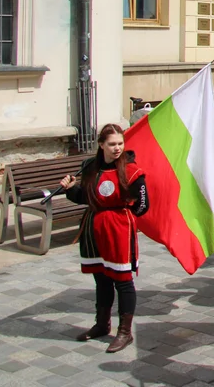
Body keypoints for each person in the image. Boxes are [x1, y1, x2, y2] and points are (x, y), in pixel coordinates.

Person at [62, 124, 148, 353]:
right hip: (94, 227)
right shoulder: (90, 167)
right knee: (101, 278)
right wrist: (70, 189)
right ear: (101, 145)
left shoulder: (131, 170)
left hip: (118, 229)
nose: (117, 148)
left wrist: (121, 217)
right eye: (112, 144)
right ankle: (102, 324)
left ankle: (124, 332)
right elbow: (85, 197)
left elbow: (142, 205)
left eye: (120, 143)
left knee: (122, 280)